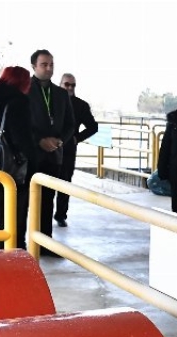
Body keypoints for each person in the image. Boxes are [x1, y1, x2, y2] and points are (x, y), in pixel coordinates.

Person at [0, 66, 35, 250]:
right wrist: (33, 154)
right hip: (13, 165)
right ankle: (14, 247)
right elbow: (21, 138)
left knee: (0, 206)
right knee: (16, 209)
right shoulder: (18, 102)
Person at [27, 50, 74, 255]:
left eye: (51, 64)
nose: (49, 68)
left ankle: (45, 244)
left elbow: (71, 124)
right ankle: (22, 245)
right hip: (31, 154)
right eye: (44, 64)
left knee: (48, 199)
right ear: (34, 66)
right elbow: (20, 123)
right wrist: (39, 141)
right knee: (26, 200)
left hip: (54, 154)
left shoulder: (62, 94)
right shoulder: (24, 91)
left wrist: (59, 140)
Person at [54, 73, 98, 228]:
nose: (70, 88)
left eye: (73, 85)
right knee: (46, 183)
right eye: (67, 84)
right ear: (60, 84)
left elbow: (93, 127)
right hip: (49, 150)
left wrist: (76, 138)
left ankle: (61, 215)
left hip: (68, 150)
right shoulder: (50, 101)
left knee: (65, 183)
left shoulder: (81, 105)